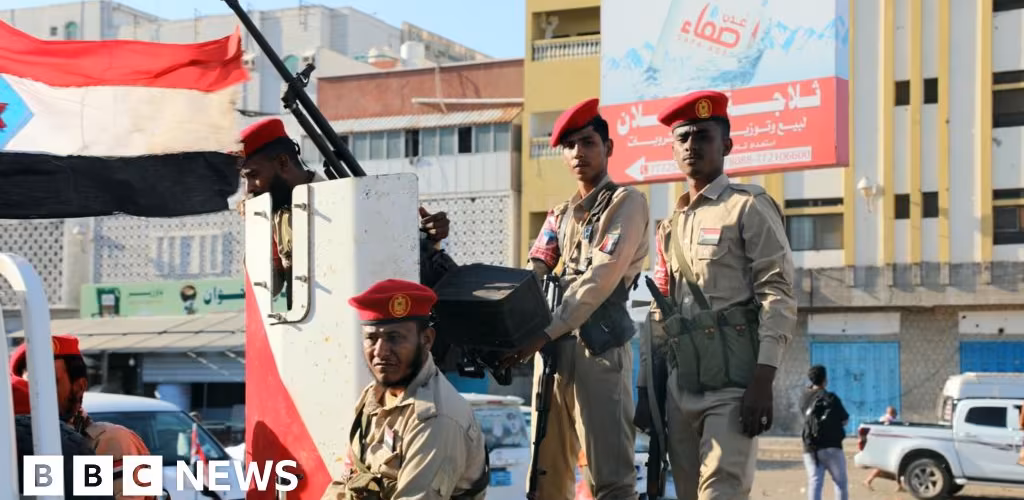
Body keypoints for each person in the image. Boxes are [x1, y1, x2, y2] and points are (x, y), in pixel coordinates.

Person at [641, 89, 797, 500]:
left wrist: (764, 378)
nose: (692, 145)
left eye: (703, 136)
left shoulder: (748, 206)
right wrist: (647, 390)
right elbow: (659, 312)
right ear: (673, 149)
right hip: (681, 385)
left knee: (721, 492)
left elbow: (777, 292)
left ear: (726, 145)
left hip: (733, 384)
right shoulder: (669, 227)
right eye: (683, 137)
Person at [505, 97, 650, 500]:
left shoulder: (626, 203)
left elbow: (600, 278)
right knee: (545, 480)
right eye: (570, 146)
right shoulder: (559, 215)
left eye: (588, 142)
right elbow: (533, 274)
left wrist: (543, 332)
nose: (578, 153)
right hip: (551, 353)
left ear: (608, 147)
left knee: (611, 481)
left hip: (597, 352)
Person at [236, 118, 456, 295]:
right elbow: (269, 289)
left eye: (253, 175)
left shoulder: (350, 204)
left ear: (283, 163)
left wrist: (429, 239)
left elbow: (396, 265)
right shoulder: (277, 216)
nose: (248, 189)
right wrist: (258, 228)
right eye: (245, 179)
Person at [322, 278, 489, 499]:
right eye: (371, 338)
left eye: (394, 338)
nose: (380, 351)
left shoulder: (436, 418)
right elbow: (349, 480)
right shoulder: (374, 396)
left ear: (426, 340)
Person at [10, 335, 154, 500]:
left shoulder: (114, 441)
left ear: (79, 387)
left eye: (49, 383)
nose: (37, 394)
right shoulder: (20, 446)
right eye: (28, 385)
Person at [800, 365, 850, 500]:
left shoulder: (804, 398)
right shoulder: (831, 398)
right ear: (825, 380)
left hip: (811, 447)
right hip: (832, 446)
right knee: (840, 483)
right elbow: (845, 420)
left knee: (815, 482)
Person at [864, 407, 902, 491]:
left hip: (883, 446)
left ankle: (900, 486)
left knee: (894, 466)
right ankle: (868, 481)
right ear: (893, 413)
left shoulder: (882, 418)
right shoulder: (890, 420)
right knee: (885, 466)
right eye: (895, 413)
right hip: (888, 447)